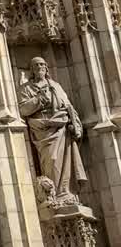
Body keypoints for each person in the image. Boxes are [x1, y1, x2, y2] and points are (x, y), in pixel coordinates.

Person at [18, 57, 87, 202]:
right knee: (51, 160)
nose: (40, 67)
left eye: (42, 64)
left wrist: (76, 124)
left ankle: (65, 191)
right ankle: (53, 193)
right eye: (36, 65)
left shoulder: (55, 85)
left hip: (61, 126)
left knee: (64, 161)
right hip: (42, 129)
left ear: (47, 67)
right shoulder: (26, 88)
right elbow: (23, 109)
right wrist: (39, 99)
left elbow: (68, 105)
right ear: (31, 69)